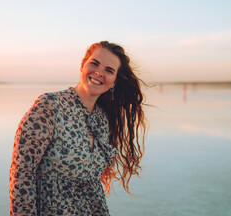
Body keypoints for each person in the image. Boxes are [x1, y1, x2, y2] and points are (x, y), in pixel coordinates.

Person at [9, 41, 147, 215]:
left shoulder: (102, 120)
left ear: (114, 82)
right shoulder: (50, 106)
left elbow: (92, 183)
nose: (98, 73)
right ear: (83, 66)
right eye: (94, 64)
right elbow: (21, 175)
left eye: (109, 70)